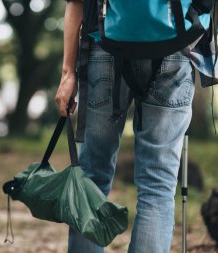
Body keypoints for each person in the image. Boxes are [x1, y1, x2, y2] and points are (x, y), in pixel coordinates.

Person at [55, 0, 195, 252]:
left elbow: (76, 2)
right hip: (176, 47)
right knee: (158, 184)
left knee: (91, 179)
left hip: (105, 44)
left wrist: (69, 73)